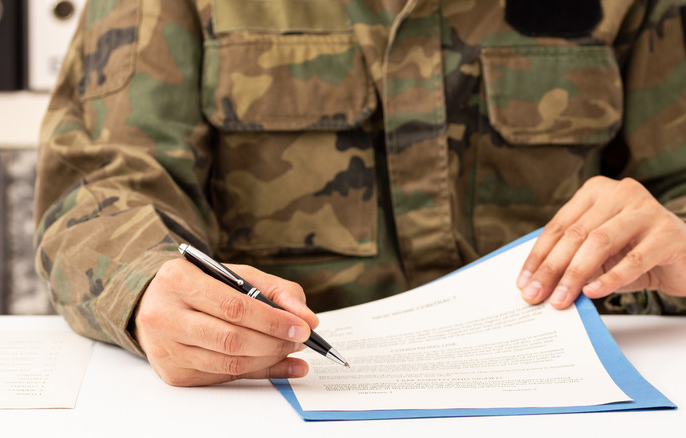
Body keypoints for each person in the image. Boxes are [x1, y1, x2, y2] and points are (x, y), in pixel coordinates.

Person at [34, 0, 686, 387]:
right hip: (278, 396)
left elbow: (675, 195)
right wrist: (149, 285)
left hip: (573, 399)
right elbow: (98, 187)